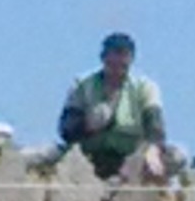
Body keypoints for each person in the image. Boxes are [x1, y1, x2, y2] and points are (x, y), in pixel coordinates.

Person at [58, 33, 174, 181]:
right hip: (89, 153)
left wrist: (153, 149)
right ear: (103, 59)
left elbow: (155, 126)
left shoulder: (145, 87)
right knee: (42, 154)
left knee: (178, 156)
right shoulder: (82, 85)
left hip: (131, 156)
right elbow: (65, 129)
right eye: (112, 63)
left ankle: (127, 182)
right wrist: (87, 125)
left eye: (123, 64)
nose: (117, 70)